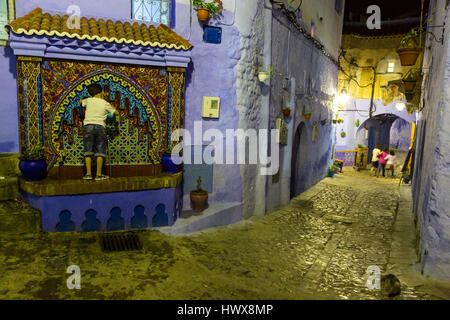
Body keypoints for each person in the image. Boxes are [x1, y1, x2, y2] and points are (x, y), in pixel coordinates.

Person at [81, 83, 119, 181]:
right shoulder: (105, 103)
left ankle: (88, 174)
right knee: (100, 151)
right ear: (101, 92)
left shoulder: (88, 100)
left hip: (88, 127)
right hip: (100, 127)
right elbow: (116, 112)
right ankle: (98, 174)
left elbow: (80, 102)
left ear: (90, 93)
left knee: (88, 151)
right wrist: (108, 113)